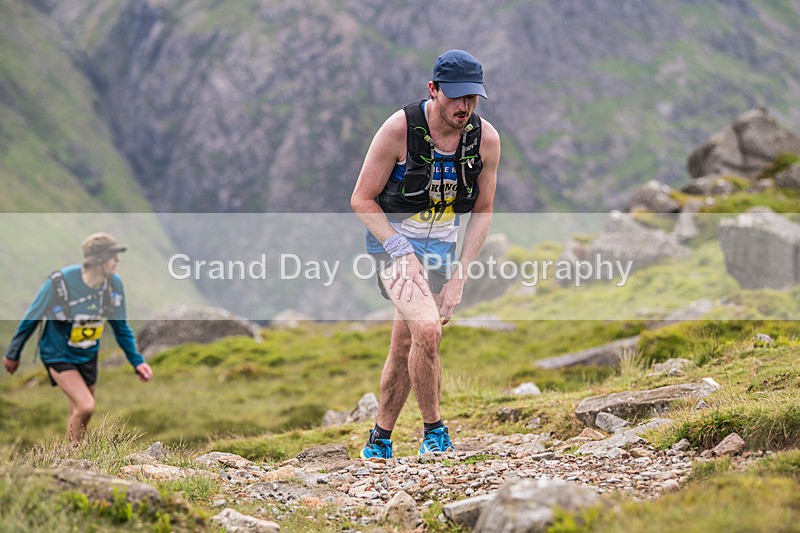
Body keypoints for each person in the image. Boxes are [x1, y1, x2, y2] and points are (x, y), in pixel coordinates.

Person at [351, 49, 500, 458]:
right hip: (393, 245)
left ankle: (379, 440)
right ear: (433, 89)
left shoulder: (485, 139)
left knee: (406, 344)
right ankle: (435, 433)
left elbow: (483, 210)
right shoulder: (399, 129)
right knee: (429, 330)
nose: (464, 106)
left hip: (441, 253)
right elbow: (362, 199)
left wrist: (459, 276)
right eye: (455, 96)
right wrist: (400, 251)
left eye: (472, 97)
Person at [3, 232, 153, 443]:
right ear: (98, 260)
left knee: (78, 410)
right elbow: (32, 317)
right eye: (112, 256)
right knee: (86, 406)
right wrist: (13, 353)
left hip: (88, 354)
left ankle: (73, 456)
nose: (117, 260)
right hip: (58, 353)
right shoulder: (59, 283)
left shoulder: (113, 285)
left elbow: (120, 327)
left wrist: (137, 361)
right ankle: (71, 455)